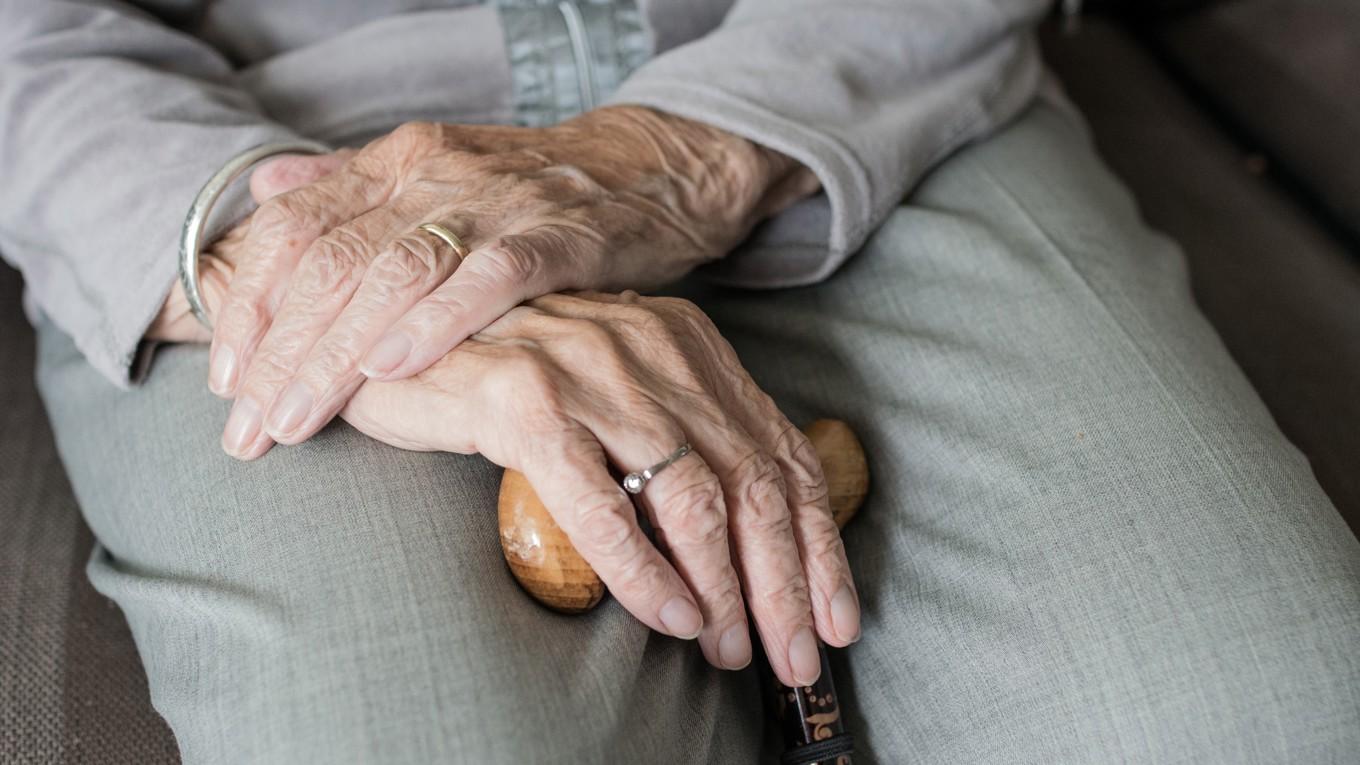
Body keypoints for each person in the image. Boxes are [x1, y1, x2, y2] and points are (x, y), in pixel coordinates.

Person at [4, 1, 1358, 762]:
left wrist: (675, 153)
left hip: (854, 72)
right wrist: (306, 265)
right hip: (257, 155)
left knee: (1264, 718)